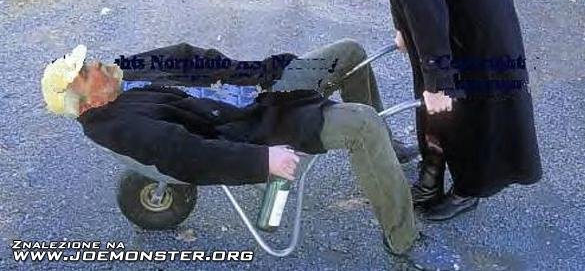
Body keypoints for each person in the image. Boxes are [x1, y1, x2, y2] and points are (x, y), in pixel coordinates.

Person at [299, 0, 542, 221]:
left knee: (465, 101)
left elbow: (425, 7)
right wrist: (403, 29)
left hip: (475, 14)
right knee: (429, 94)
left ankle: (469, 189)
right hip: (443, 7)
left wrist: (439, 81)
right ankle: (430, 177)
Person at [41, 41, 433, 269]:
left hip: (261, 87)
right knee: (363, 123)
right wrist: (263, 161)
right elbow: (185, 154)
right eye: (86, 72)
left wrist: (244, 70)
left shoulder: (124, 75)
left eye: (87, 62)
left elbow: (185, 54)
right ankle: (402, 238)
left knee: (349, 52)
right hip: (259, 125)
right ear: (89, 102)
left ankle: (388, 151)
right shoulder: (118, 124)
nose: (96, 63)